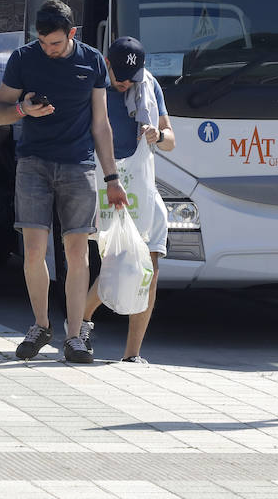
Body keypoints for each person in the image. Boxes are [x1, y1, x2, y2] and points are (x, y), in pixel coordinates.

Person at [0, 0, 127, 363]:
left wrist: (111, 176)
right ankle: (40, 325)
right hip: (33, 163)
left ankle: (73, 336)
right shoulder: (23, 58)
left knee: (77, 253)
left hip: (78, 165)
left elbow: (101, 123)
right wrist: (23, 109)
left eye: (54, 43)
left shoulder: (93, 61)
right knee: (34, 251)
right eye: (42, 42)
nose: (48, 50)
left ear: (71, 34)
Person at [79, 37, 177, 363]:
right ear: (107, 63)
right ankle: (79, 323)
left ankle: (132, 355)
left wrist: (158, 136)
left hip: (143, 188)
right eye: (119, 76)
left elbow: (171, 139)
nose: (124, 83)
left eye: (130, 78)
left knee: (149, 264)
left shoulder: (148, 86)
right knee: (119, 263)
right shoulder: (94, 85)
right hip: (109, 184)